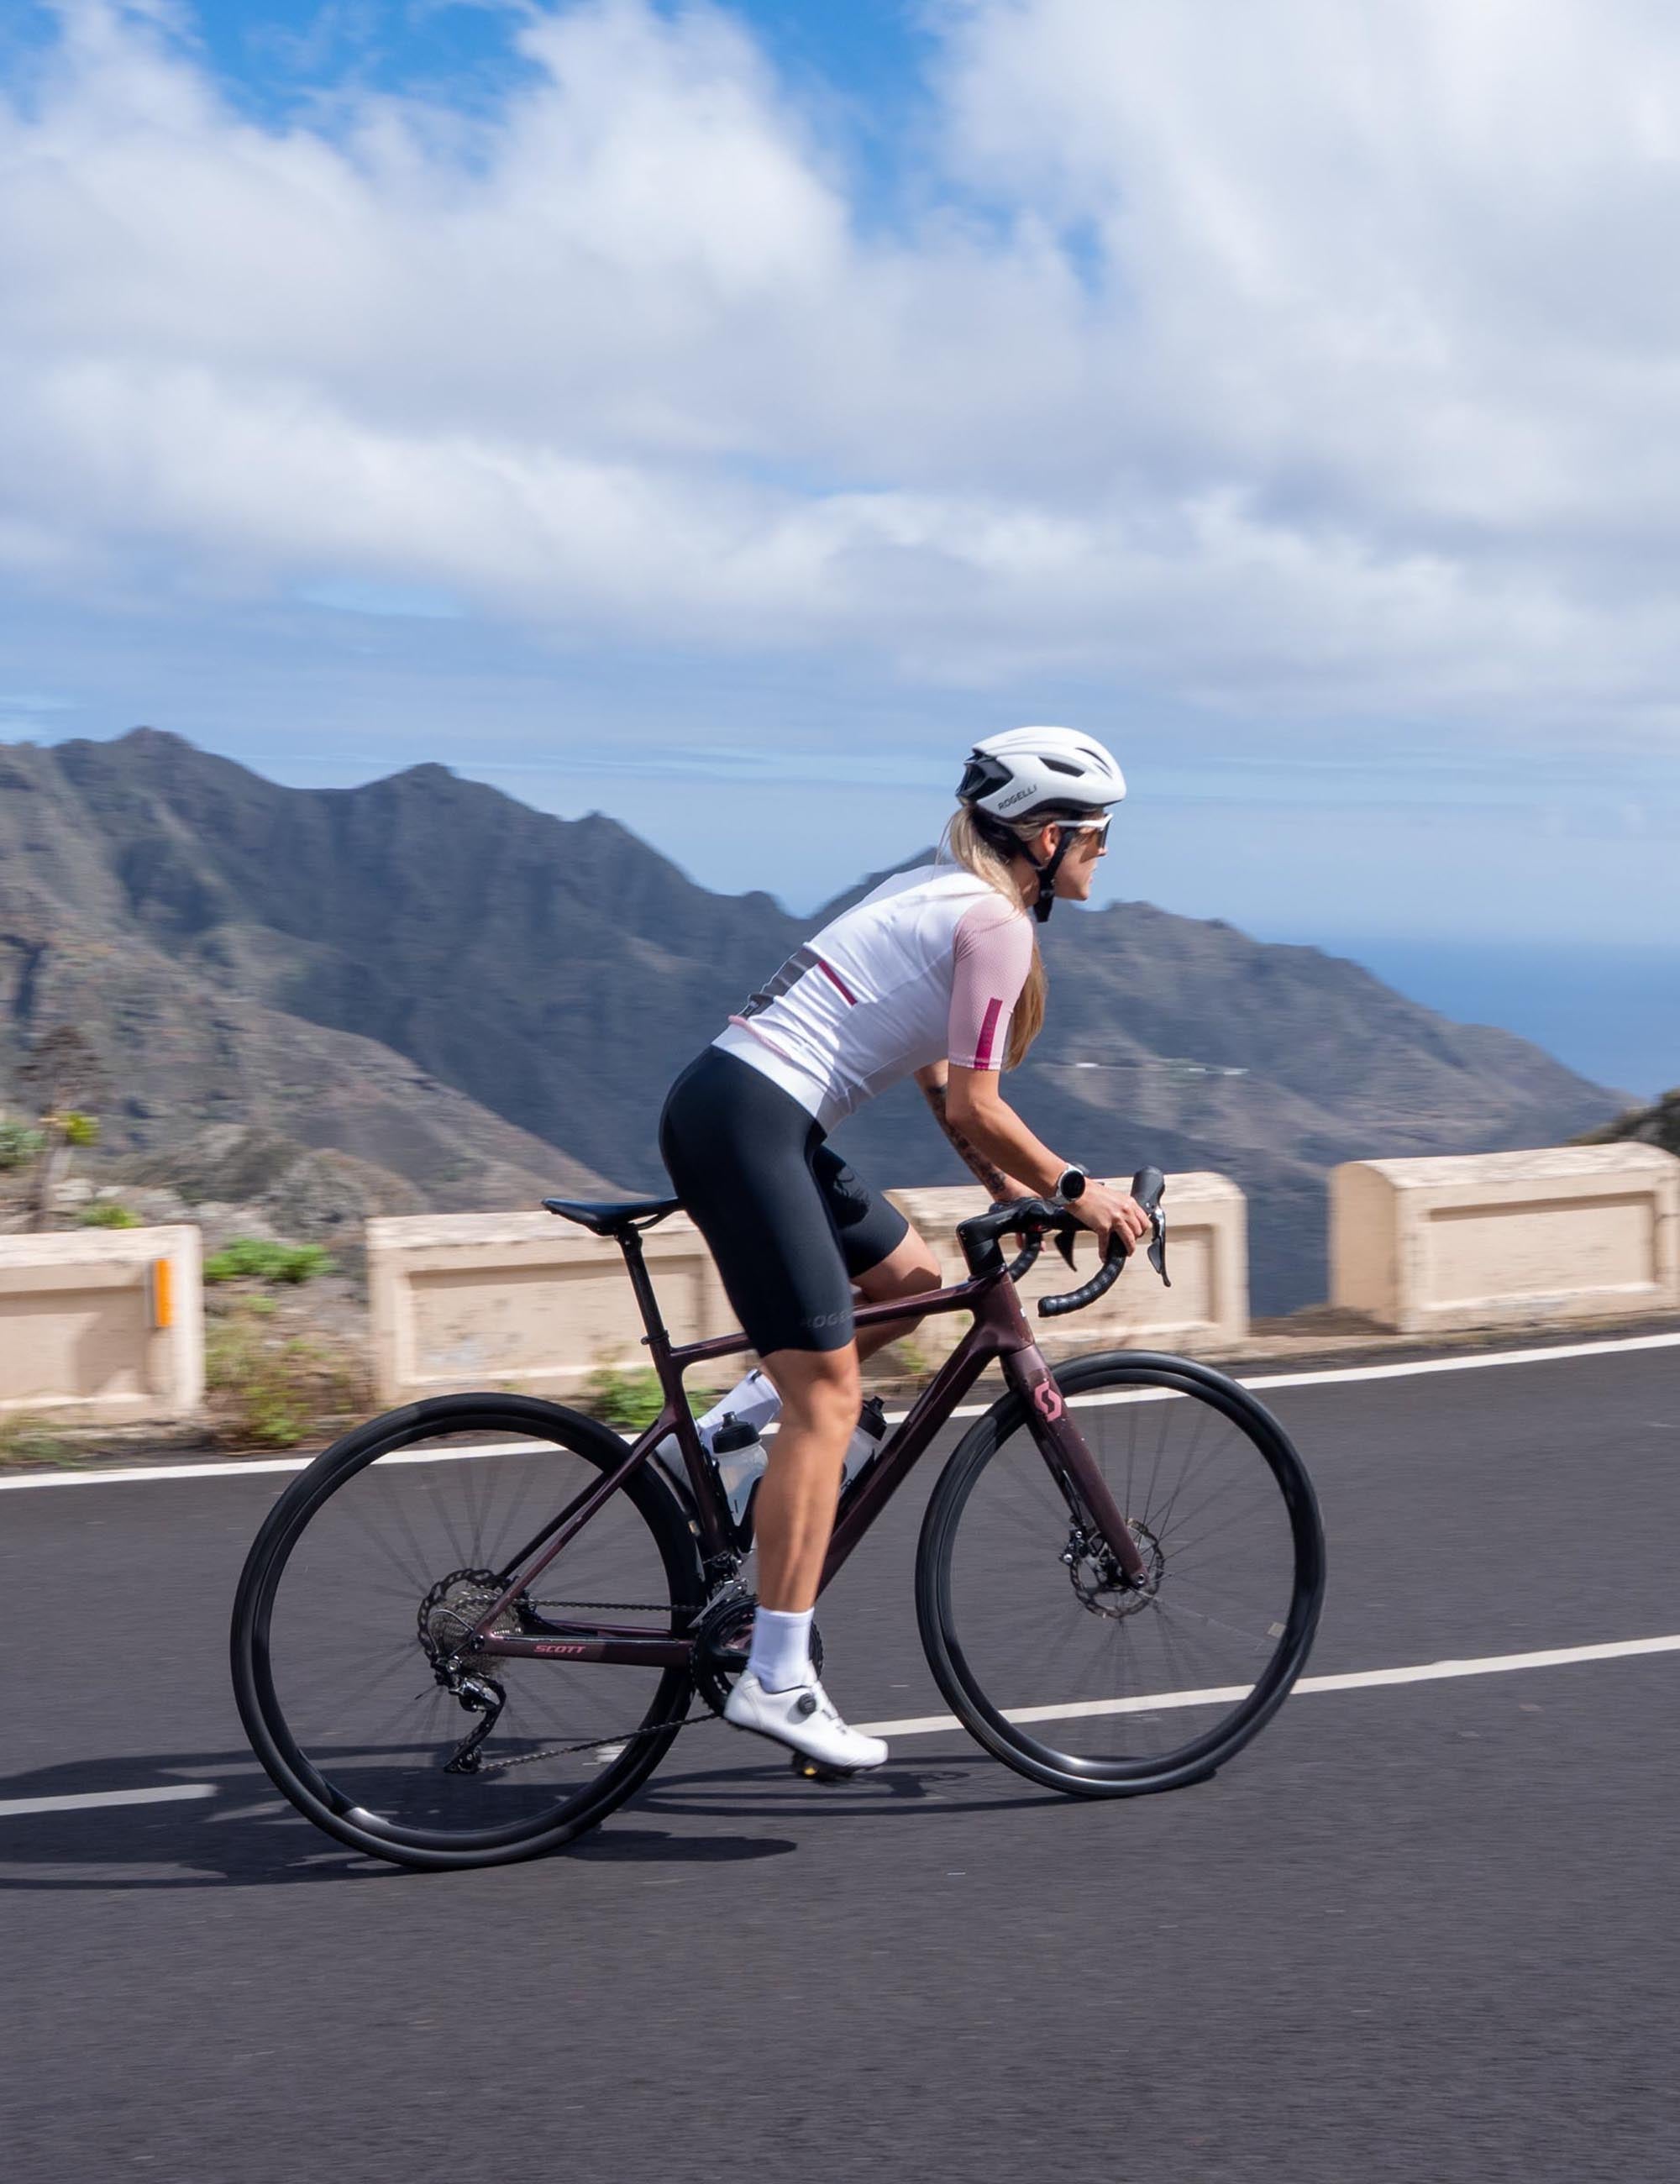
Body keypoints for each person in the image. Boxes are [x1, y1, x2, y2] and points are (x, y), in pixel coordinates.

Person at [658, 727, 1150, 1773]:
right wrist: (1074, 1190)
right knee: (826, 1401)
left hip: (747, 1114)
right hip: (751, 1125)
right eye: (1098, 836)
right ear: (1047, 836)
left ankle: (714, 1438)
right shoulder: (996, 925)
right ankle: (777, 1677)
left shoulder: (938, 887)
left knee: (913, 1281)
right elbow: (980, 1096)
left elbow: (939, 1087)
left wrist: (1007, 1195)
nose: (1105, 852)